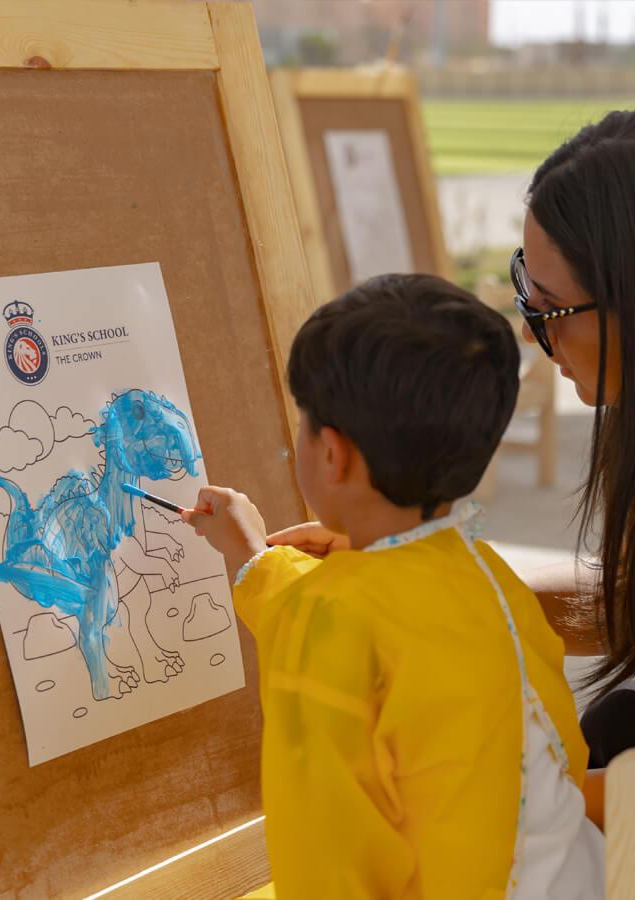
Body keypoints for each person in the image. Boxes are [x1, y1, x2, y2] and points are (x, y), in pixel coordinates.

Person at [275, 107, 635, 874]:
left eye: (551, 310)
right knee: (617, 722)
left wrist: (511, 796)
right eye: (525, 290)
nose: (534, 332)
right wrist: (424, 586)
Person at [183, 274, 604, 899]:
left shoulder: (330, 621)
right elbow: (563, 745)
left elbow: (326, 853)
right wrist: (255, 559)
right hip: (575, 874)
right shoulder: (482, 570)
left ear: (333, 455)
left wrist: (258, 564)